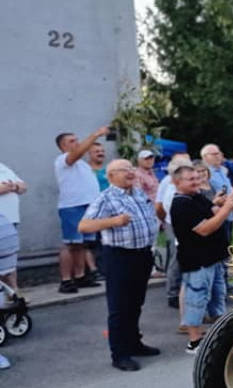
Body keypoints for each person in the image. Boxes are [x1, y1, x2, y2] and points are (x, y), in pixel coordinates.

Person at [79, 159, 160, 372]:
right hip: (119, 257)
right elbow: (84, 225)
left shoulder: (138, 192)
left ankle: (134, 343)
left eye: (132, 168)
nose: (131, 173)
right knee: (119, 307)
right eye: (125, 170)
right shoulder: (106, 198)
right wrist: (113, 221)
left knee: (135, 303)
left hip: (142, 255)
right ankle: (119, 354)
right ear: (111, 175)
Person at [171, 164, 233, 354]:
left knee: (218, 295)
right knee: (196, 299)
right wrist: (227, 208)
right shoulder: (181, 204)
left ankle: (221, 334)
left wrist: (220, 203)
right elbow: (205, 228)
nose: (196, 182)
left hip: (213, 259)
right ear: (178, 182)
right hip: (196, 261)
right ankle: (194, 342)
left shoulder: (195, 196)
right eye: (191, 179)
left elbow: (211, 211)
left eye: (197, 178)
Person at [54, 127, 107, 294]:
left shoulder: (82, 165)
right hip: (72, 206)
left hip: (87, 207)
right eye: (72, 141)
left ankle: (80, 276)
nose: (77, 143)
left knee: (82, 244)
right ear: (63, 146)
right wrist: (96, 135)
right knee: (70, 244)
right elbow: (77, 153)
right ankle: (66, 280)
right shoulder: (63, 159)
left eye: (77, 140)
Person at [155, 153, 191, 320]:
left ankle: (182, 290)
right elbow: (159, 205)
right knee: (176, 257)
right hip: (173, 223)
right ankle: (172, 292)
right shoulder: (166, 183)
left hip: (183, 223)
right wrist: (165, 221)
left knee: (182, 256)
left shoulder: (181, 183)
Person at [0, 161, 27, 291]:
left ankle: (14, 291)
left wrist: (11, 187)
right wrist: (6, 187)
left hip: (11, 220)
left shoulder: (3, 167)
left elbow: (23, 186)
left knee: (10, 257)